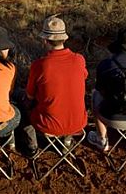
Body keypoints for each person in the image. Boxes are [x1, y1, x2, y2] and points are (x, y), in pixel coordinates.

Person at [23, 15, 88, 156]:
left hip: (49, 125)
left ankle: (32, 146)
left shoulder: (39, 65)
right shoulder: (79, 60)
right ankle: (67, 142)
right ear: (65, 39)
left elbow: (29, 95)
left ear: (45, 40)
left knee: (24, 106)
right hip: (78, 123)